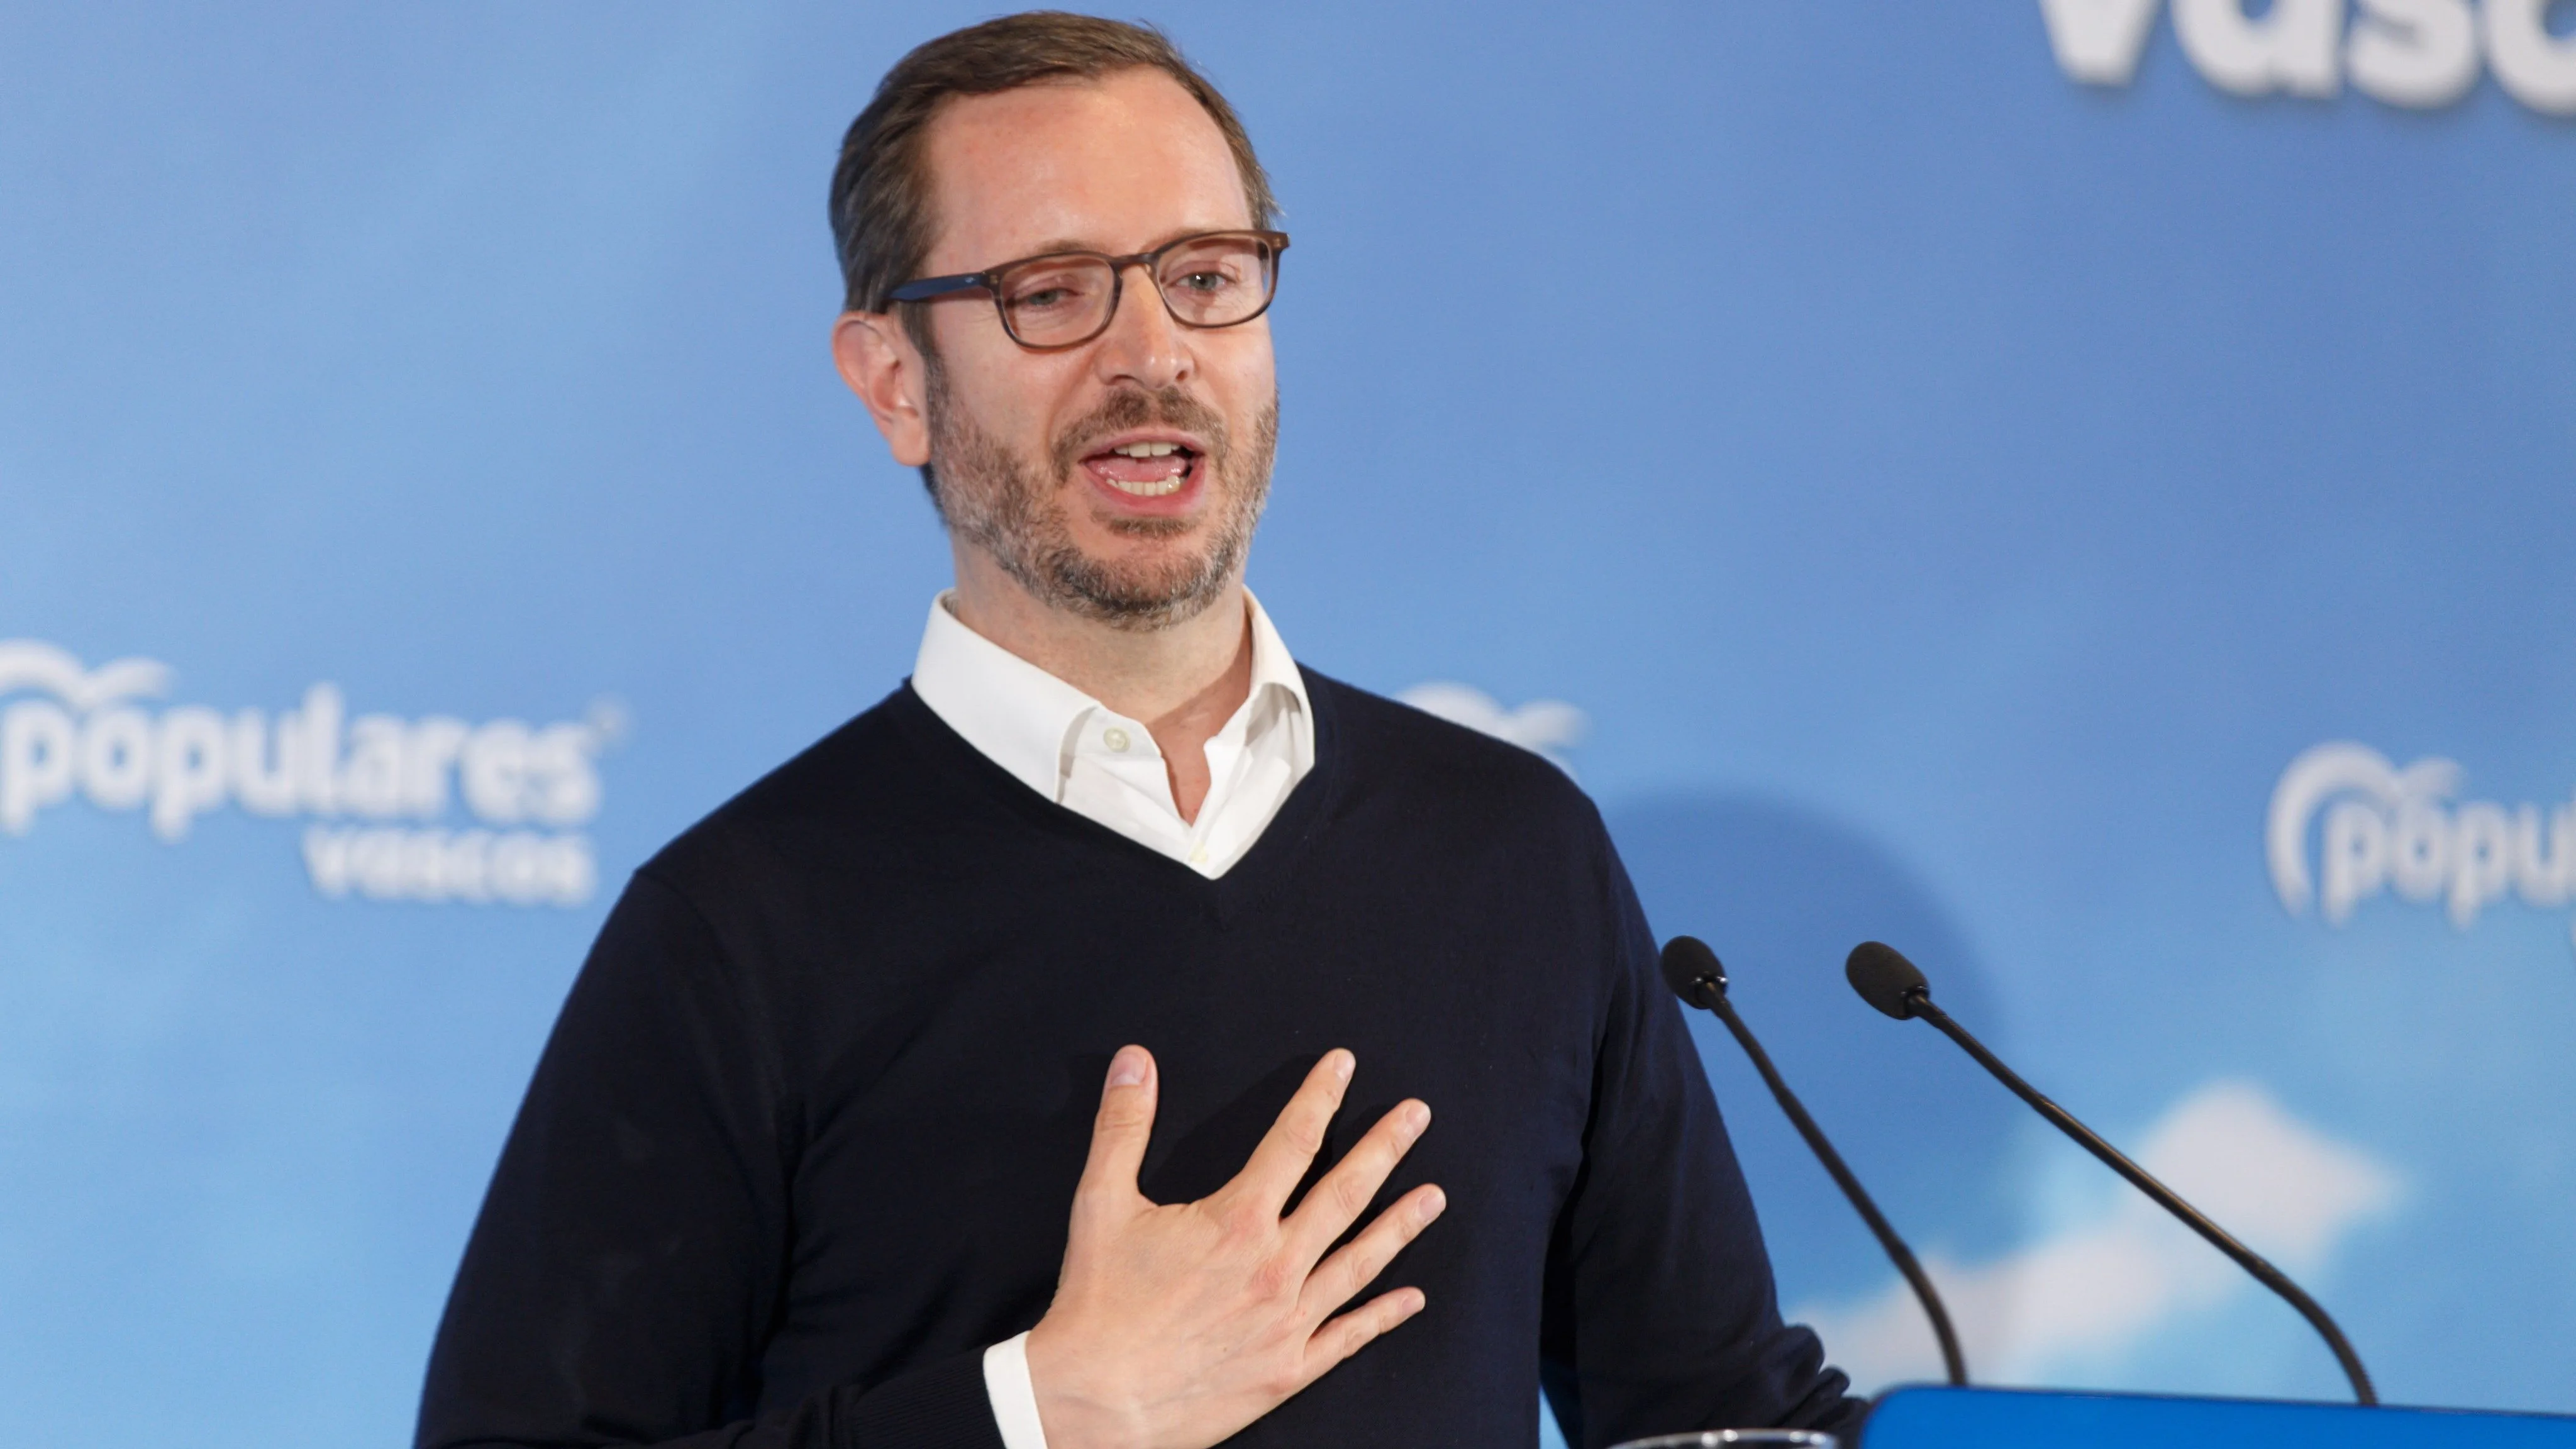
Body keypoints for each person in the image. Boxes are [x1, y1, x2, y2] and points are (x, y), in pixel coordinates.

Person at [416, 13, 1860, 1449]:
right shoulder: (737, 929)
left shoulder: (1510, 850)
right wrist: (1035, 1415)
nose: (1151, 351)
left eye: (1205, 277)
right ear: (894, 382)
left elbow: (1719, 1423)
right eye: (1051, 291)